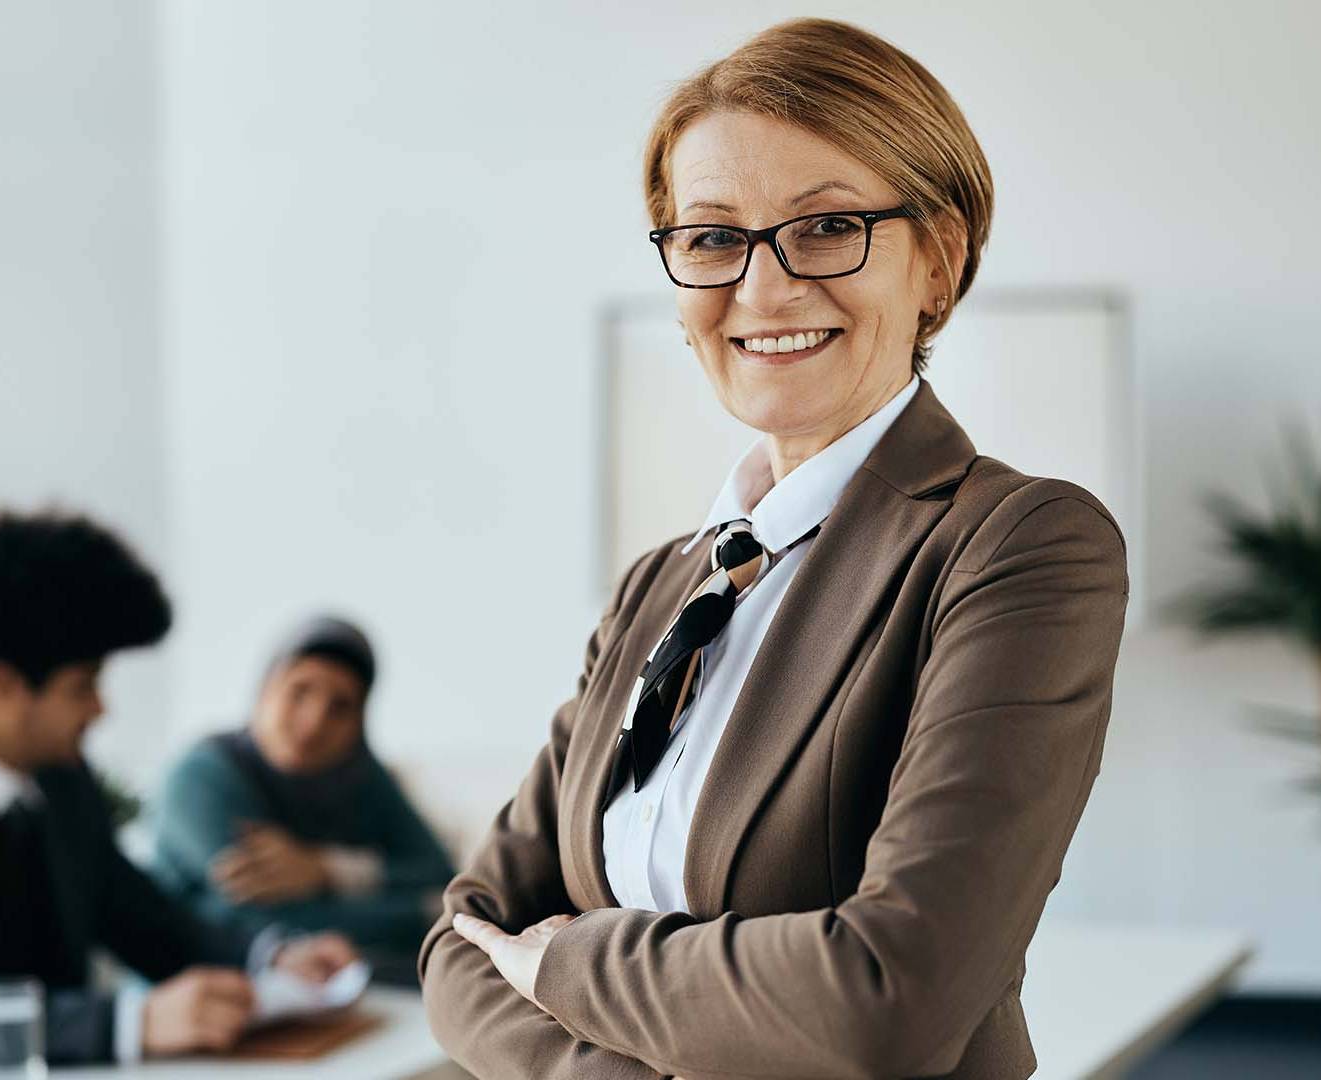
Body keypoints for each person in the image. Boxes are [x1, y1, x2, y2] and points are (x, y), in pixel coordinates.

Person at [420, 18, 1130, 1080]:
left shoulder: (1017, 547)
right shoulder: (661, 586)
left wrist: (570, 964)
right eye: (713, 239)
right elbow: (459, 944)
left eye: (829, 226)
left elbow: (892, 996)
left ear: (938, 262)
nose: (762, 289)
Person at [0, 511, 355, 1079]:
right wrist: (133, 1021)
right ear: (4, 686)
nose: (101, 708)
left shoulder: (61, 782)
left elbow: (145, 919)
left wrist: (271, 957)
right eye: (83, 685)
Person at [152, 615, 454, 984]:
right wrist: (419, 913)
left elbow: (440, 876)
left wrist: (328, 870)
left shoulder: (361, 776)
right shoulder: (204, 777)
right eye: (299, 691)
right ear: (265, 690)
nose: (314, 722)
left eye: (340, 707)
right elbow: (256, 918)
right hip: (197, 991)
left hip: (337, 989)